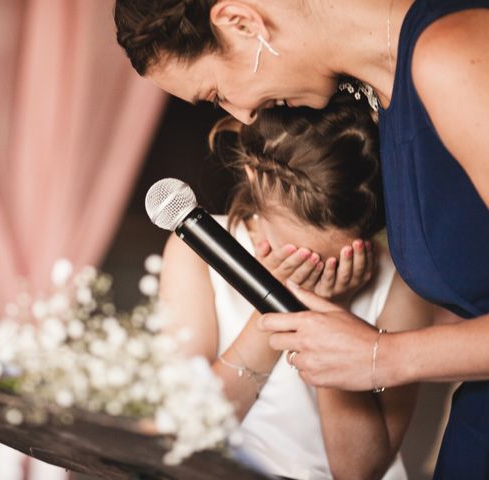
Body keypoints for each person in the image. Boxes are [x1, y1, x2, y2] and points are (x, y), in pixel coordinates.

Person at [115, 0, 489, 476]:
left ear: (241, 21)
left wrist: (381, 357)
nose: (244, 116)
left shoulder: (450, 55)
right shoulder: (381, 106)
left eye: (216, 93)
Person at [159, 93, 433, 479]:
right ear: (254, 175)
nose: (316, 269)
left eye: (331, 258)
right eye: (301, 254)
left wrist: (328, 313)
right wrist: (269, 308)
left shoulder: (400, 281)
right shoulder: (196, 253)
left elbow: (358, 471)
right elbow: (187, 433)